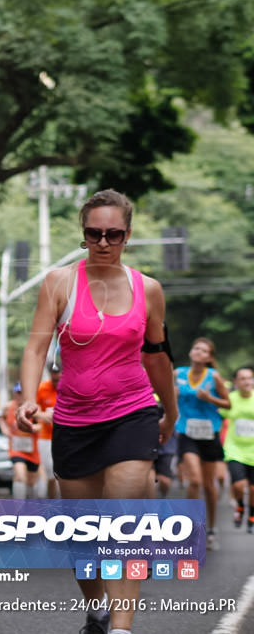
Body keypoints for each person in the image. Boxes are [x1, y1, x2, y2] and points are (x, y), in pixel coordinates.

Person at [18, 189, 177, 634]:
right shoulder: (60, 282)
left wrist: (171, 410)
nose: (103, 243)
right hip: (74, 419)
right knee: (83, 535)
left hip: (132, 412)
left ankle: (122, 628)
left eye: (113, 234)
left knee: (121, 519)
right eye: (94, 234)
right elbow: (35, 347)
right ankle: (98, 609)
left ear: (127, 235)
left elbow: (158, 358)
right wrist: (28, 397)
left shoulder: (149, 290)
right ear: (84, 234)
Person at [173, 337, 230, 549]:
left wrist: (210, 398)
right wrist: (171, 394)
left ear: (209, 357)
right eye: (195, 347)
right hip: (187, 433)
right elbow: (166, 397)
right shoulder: (177, 374)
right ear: (191, 352)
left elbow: (228, 404)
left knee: (208, 485)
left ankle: (212, 528)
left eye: (203, 350)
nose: (198, 351)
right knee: (194, 481)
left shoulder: (213, 377)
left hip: (210, 434)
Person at [225, 366, 254, 532]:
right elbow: (220, 414)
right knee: (239, 485)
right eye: (242, 378)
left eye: (249, 378)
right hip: (234, 449)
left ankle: (251, 515)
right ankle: (240, 506)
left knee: (252, 488)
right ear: (236, 382)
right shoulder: (230, 398)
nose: (246, 381)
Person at [0, 383, 40, 499]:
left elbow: (42, 426)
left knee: (31, 480)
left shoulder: (34, 408)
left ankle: (32, 506)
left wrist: (32, 428)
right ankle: (18, 507)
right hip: (16, 448)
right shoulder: (9, 407)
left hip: (32, 449)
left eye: (21, 393)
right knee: (20, 475)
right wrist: (5, 429)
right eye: (17, 393)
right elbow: (1, 418)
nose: (19, 395)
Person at [35, 359, 61, 498]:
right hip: (46, 437)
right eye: (54, 378)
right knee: (50, 472)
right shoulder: (42, 388)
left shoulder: (69, 387)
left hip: (66, 436)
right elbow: (35, 409)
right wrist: (42, 415)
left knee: (64, 473)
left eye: (59, 379)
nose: (56, 382)